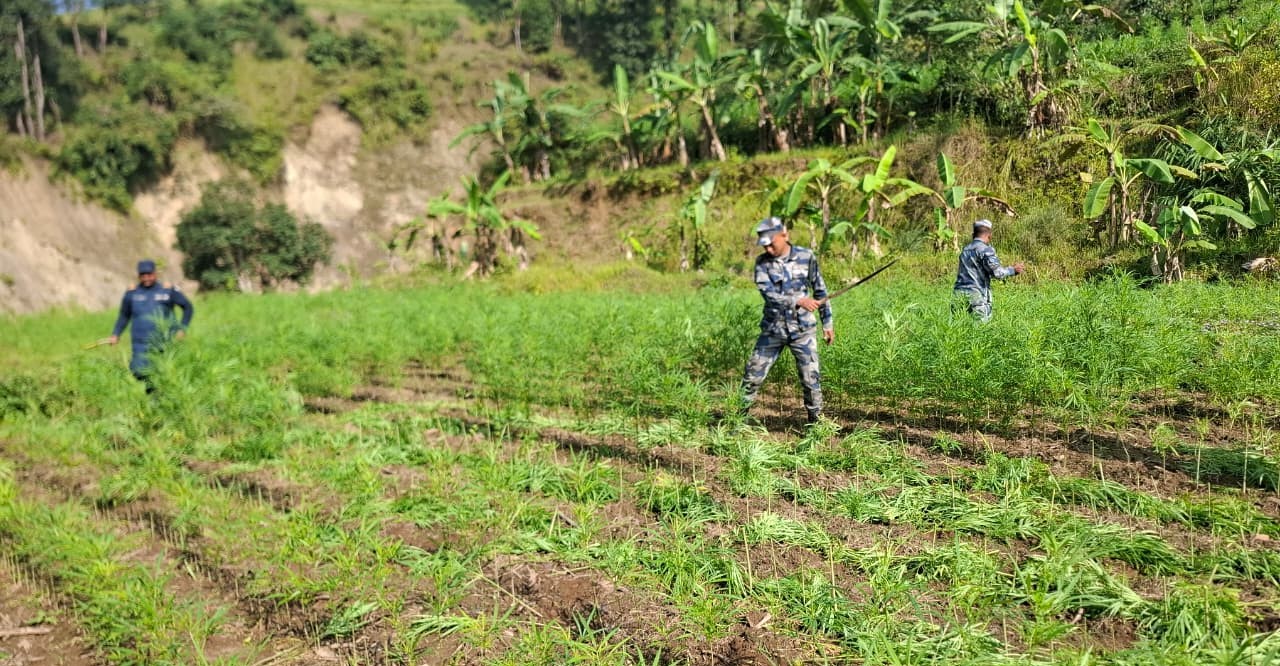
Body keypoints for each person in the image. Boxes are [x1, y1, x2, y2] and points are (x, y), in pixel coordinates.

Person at [740, 217, 834, 425]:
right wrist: (798, 300)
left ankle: (815, 425)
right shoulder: (762, 263)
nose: (768, 249)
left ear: (784, 235)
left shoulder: (806, 256)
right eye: (764, 245)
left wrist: (827, 324)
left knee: (811, 381)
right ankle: (736, 420)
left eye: (771, 243)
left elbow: (820, 292)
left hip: (803, 331)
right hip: (773, 330)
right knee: (752, 377)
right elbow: (768, 294)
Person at [108, 259, 194, 393]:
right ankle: (151, 395)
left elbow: (188, 308)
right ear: (138, 276)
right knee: (138, 370)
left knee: (164, 371)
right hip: (140, 343)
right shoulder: (132, 293)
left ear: (155, 274)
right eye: (143, 275)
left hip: (164, 341)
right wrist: (116, 333)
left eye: (149, 274)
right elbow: (124, 315)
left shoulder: (168, 291)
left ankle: (162, 399)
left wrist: (182, 328)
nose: (146, 277)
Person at [953, 219, 1024, 322]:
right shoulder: (985, 249)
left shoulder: (965, 250)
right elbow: (997, 273)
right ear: (989, 235)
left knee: (958, 332)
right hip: (976, 296)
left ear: (973, 234)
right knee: (980, 332)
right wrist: (1013, 270)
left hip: (958, 295)